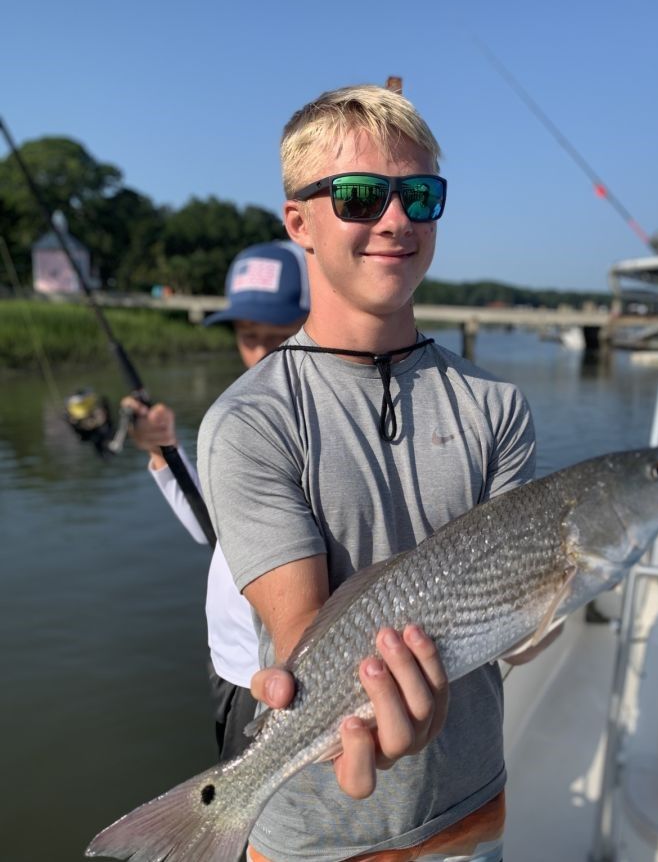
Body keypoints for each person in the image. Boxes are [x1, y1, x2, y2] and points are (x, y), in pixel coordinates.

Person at [197, 84, 550, 862]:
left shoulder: (497, 404)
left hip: (470, 807)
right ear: (300, 222)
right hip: (310, 837)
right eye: (360, 197)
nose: (397, 221)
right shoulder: (249, 422)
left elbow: (521, 616)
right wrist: (364, 716)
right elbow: (305, 641)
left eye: (420, 196)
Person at [124, 240, 309, 761]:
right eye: (250, 339)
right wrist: (165, 451)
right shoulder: (236, 419)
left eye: (282, 338)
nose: (262, 356)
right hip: (234, 669)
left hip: (313, 671)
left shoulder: (334, 420)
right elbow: (217, 531)